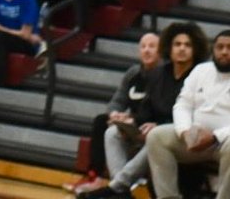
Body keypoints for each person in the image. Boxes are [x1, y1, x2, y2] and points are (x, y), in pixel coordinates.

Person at [84, 23, 210, 199]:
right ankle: (124, 193)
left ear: (195, 49)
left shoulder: (201, 76)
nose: (182, 49)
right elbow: (146, 110)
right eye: (177, 44)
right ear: (169, 47)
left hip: (181, 135)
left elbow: (196, 117)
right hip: (151, 130)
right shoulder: (157, 74)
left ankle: (117, 187)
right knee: (112, 132)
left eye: (187, 45)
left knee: (155, 137)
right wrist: (132, 122)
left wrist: (158, 125)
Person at [143, 30, 230, 199]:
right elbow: (183, 104)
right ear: (213, 50)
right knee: (156, 136)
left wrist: (215, 137)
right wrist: (185, 131)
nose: (224, 51)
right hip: (198, 140)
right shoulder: (201, 71)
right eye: (220, 47)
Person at [69, 31, 161, 196]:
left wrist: (130, 118)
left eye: (152, 46)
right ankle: (96, 177)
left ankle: (118, 189)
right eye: (143, 46)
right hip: (131, 124)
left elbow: (157, 109)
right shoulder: (133, 73)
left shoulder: (164, 75)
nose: (147, 50)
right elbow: (117, 100)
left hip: (150, 124)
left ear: (161, 51)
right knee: (101, 121)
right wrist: (114, 114)